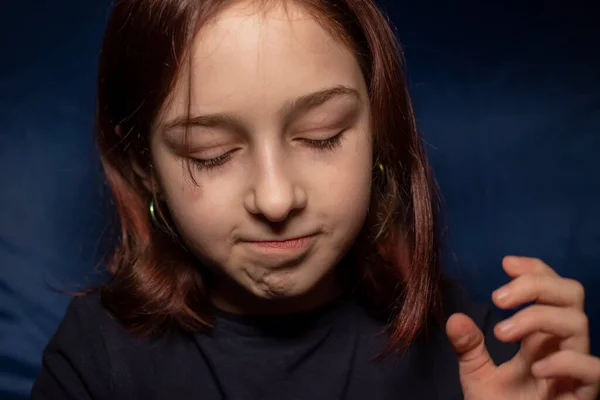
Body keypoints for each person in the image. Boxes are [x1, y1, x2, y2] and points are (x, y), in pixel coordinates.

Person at [31, 0, 600, 398]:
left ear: (380, 131)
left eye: (322, 136)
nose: (277, 200)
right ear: (146, 169)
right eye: (210, 153)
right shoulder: (94, 359)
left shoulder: (475, 351)